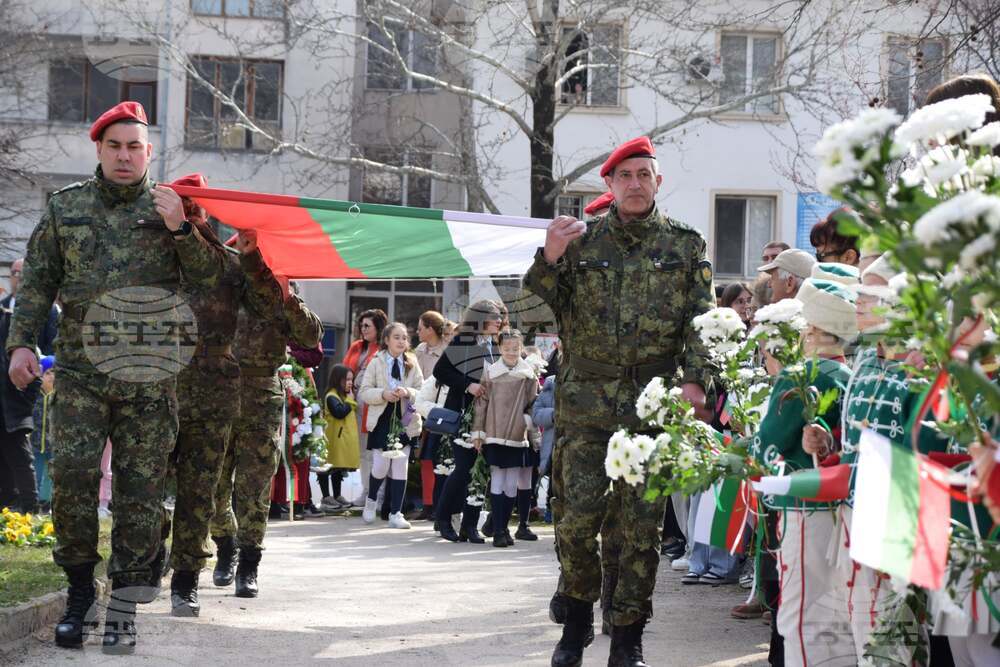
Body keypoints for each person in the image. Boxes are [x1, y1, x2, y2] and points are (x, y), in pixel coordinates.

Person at [6, 101, 223, 653]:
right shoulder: (66, 208)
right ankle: (80, 594)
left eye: (135, 147)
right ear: (99, 150)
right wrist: (21, 342)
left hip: (149, 380)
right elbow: (37, 282)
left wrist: (180, 230)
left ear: (149, 152)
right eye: (114, 146)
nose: (125, 156)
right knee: (75, 483)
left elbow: (212, 279)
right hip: (80, 373)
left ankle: (124, 607)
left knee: (140, 495)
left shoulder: (177, 208)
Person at [524, 135, 715, 667]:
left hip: (650, 404)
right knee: (577, 520)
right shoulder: (580, 244)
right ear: (608, 185)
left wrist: (696, 380)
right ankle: (577, 624)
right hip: (585, 403)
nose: (635, 183)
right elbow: (532, 320)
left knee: (639, 527)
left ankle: (628, 636)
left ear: (658, 181)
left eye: (643, 174)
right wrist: (549, 258)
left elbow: (703, 323)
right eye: (624, 175)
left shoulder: (685, 245)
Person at [161, 173, 284, 618]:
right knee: (145, 482)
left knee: (200, 492)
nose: (188, 214)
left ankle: (186, 580)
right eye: (181, 205)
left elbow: (270, 308)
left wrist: (253, 260)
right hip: (157, 385)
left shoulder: (226, 262)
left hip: (212, 391)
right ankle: (150, 558)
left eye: (195, 207)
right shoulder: (150, 254)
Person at [750, 279, 855, 667]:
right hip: (843, 505)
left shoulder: (801, 374)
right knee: (837, 610)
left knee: (800, 615)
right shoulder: (850, 374)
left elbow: (767, 445)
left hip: (803, 504)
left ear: (811, 329)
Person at [209, 255, 323, 599]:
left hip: (262, 395)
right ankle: (225, 543)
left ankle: (249, 562)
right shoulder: (224, 279)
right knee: (213, 484)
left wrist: (287, 298)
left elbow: (309, 336)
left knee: (254, 487)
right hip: (220, 392)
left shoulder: (280, 284)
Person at [433, 300, 505, 544]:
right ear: (481, 317)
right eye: (495, 316)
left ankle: (470, 525)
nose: (499, 321)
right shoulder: (464, 340)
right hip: (463, 416)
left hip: (487, 418)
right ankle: (443, 518)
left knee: (479, 472)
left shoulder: (495, 346)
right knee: (463, 470)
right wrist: (468, 384)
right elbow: (440, 371)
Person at [471, 329, 540, 547]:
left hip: (517, 435)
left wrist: (527, 422)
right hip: (494, 433)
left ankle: (504, 527)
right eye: (507, 348)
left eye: (516, 348)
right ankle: (499, 530)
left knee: (512, 483)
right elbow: (481, 404)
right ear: (499, 348)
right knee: (498, 479)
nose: (511, 352)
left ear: (521, 348)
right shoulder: (491, 372)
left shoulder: (528, 374)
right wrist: (479, 432)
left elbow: (533, 403)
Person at [0, 257, 59, 514]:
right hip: (4, 390)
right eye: (14, 273)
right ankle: (8, 504)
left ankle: (31, 507)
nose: (18, 278)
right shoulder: (3, 309)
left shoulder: (47, 311)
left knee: (24, 453)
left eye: (23, 273)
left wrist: (38, 376)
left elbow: (53, 349)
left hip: (28, 388)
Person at [358, 322, 424, 529]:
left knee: (400, 465)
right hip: (382, 418)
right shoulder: (376, 362)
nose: (401, 341)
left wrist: (408, 392)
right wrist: (383, 394)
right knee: (380, 465)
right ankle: (371, 501)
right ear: (386, 340)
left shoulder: (412, 362)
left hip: (405, 419)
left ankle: (396, 513)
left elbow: (422, 391)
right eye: (396, 337)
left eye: (404, 337)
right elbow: (364, 391)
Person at [343, 308, 387, 505]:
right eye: (361, 325)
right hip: (355, 404)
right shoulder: (356, 347)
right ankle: (366, 491)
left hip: (376, 405)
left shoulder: (385, 350)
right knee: (362, 452)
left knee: (376, 451)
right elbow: (344, 370)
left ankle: (379, 494)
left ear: (379, 327)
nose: (363, 329)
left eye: (367, 325)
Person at [414, 310, 447, 520]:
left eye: (420, 328)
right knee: (425, 458)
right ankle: (427, 504)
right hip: (420, 406)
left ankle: (439, 504)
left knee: (440, 459)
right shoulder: (419, 350)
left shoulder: (447, 350)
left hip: (440, 409)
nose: (417, 332)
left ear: (430, 329)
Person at [321, 364, 360, 511]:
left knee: (337, 469)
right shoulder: (332, 396)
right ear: (338, 380)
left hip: (341, 440)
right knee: (326, 468)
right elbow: (339, 412)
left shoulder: (343, 396)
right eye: (347, 379)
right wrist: (350, 401)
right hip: (333, 440)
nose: (350, 382)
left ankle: (337, 495)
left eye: (352, 379)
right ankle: (326, 497)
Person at [30, 355, 57, 512]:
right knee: (35, 473)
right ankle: (33, 502)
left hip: (53, 444)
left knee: (49, 476)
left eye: (54, 372)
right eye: (47, 373)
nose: (51, 376)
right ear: (40, 374)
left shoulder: (60, 395)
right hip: (35, 442)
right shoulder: (35, 394)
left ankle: (46, 503)